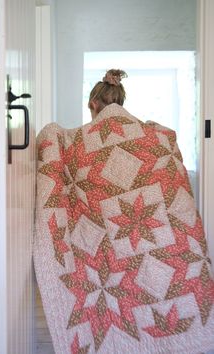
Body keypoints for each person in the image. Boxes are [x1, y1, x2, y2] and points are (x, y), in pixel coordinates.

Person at [35, 69, 214, 354]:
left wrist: (51, 136)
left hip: (120, 235)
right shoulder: (155, 137)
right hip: (148, 233)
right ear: (121, 100)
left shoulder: (76, 142)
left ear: (93, 103)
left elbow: (53, 142)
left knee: (115, 267)